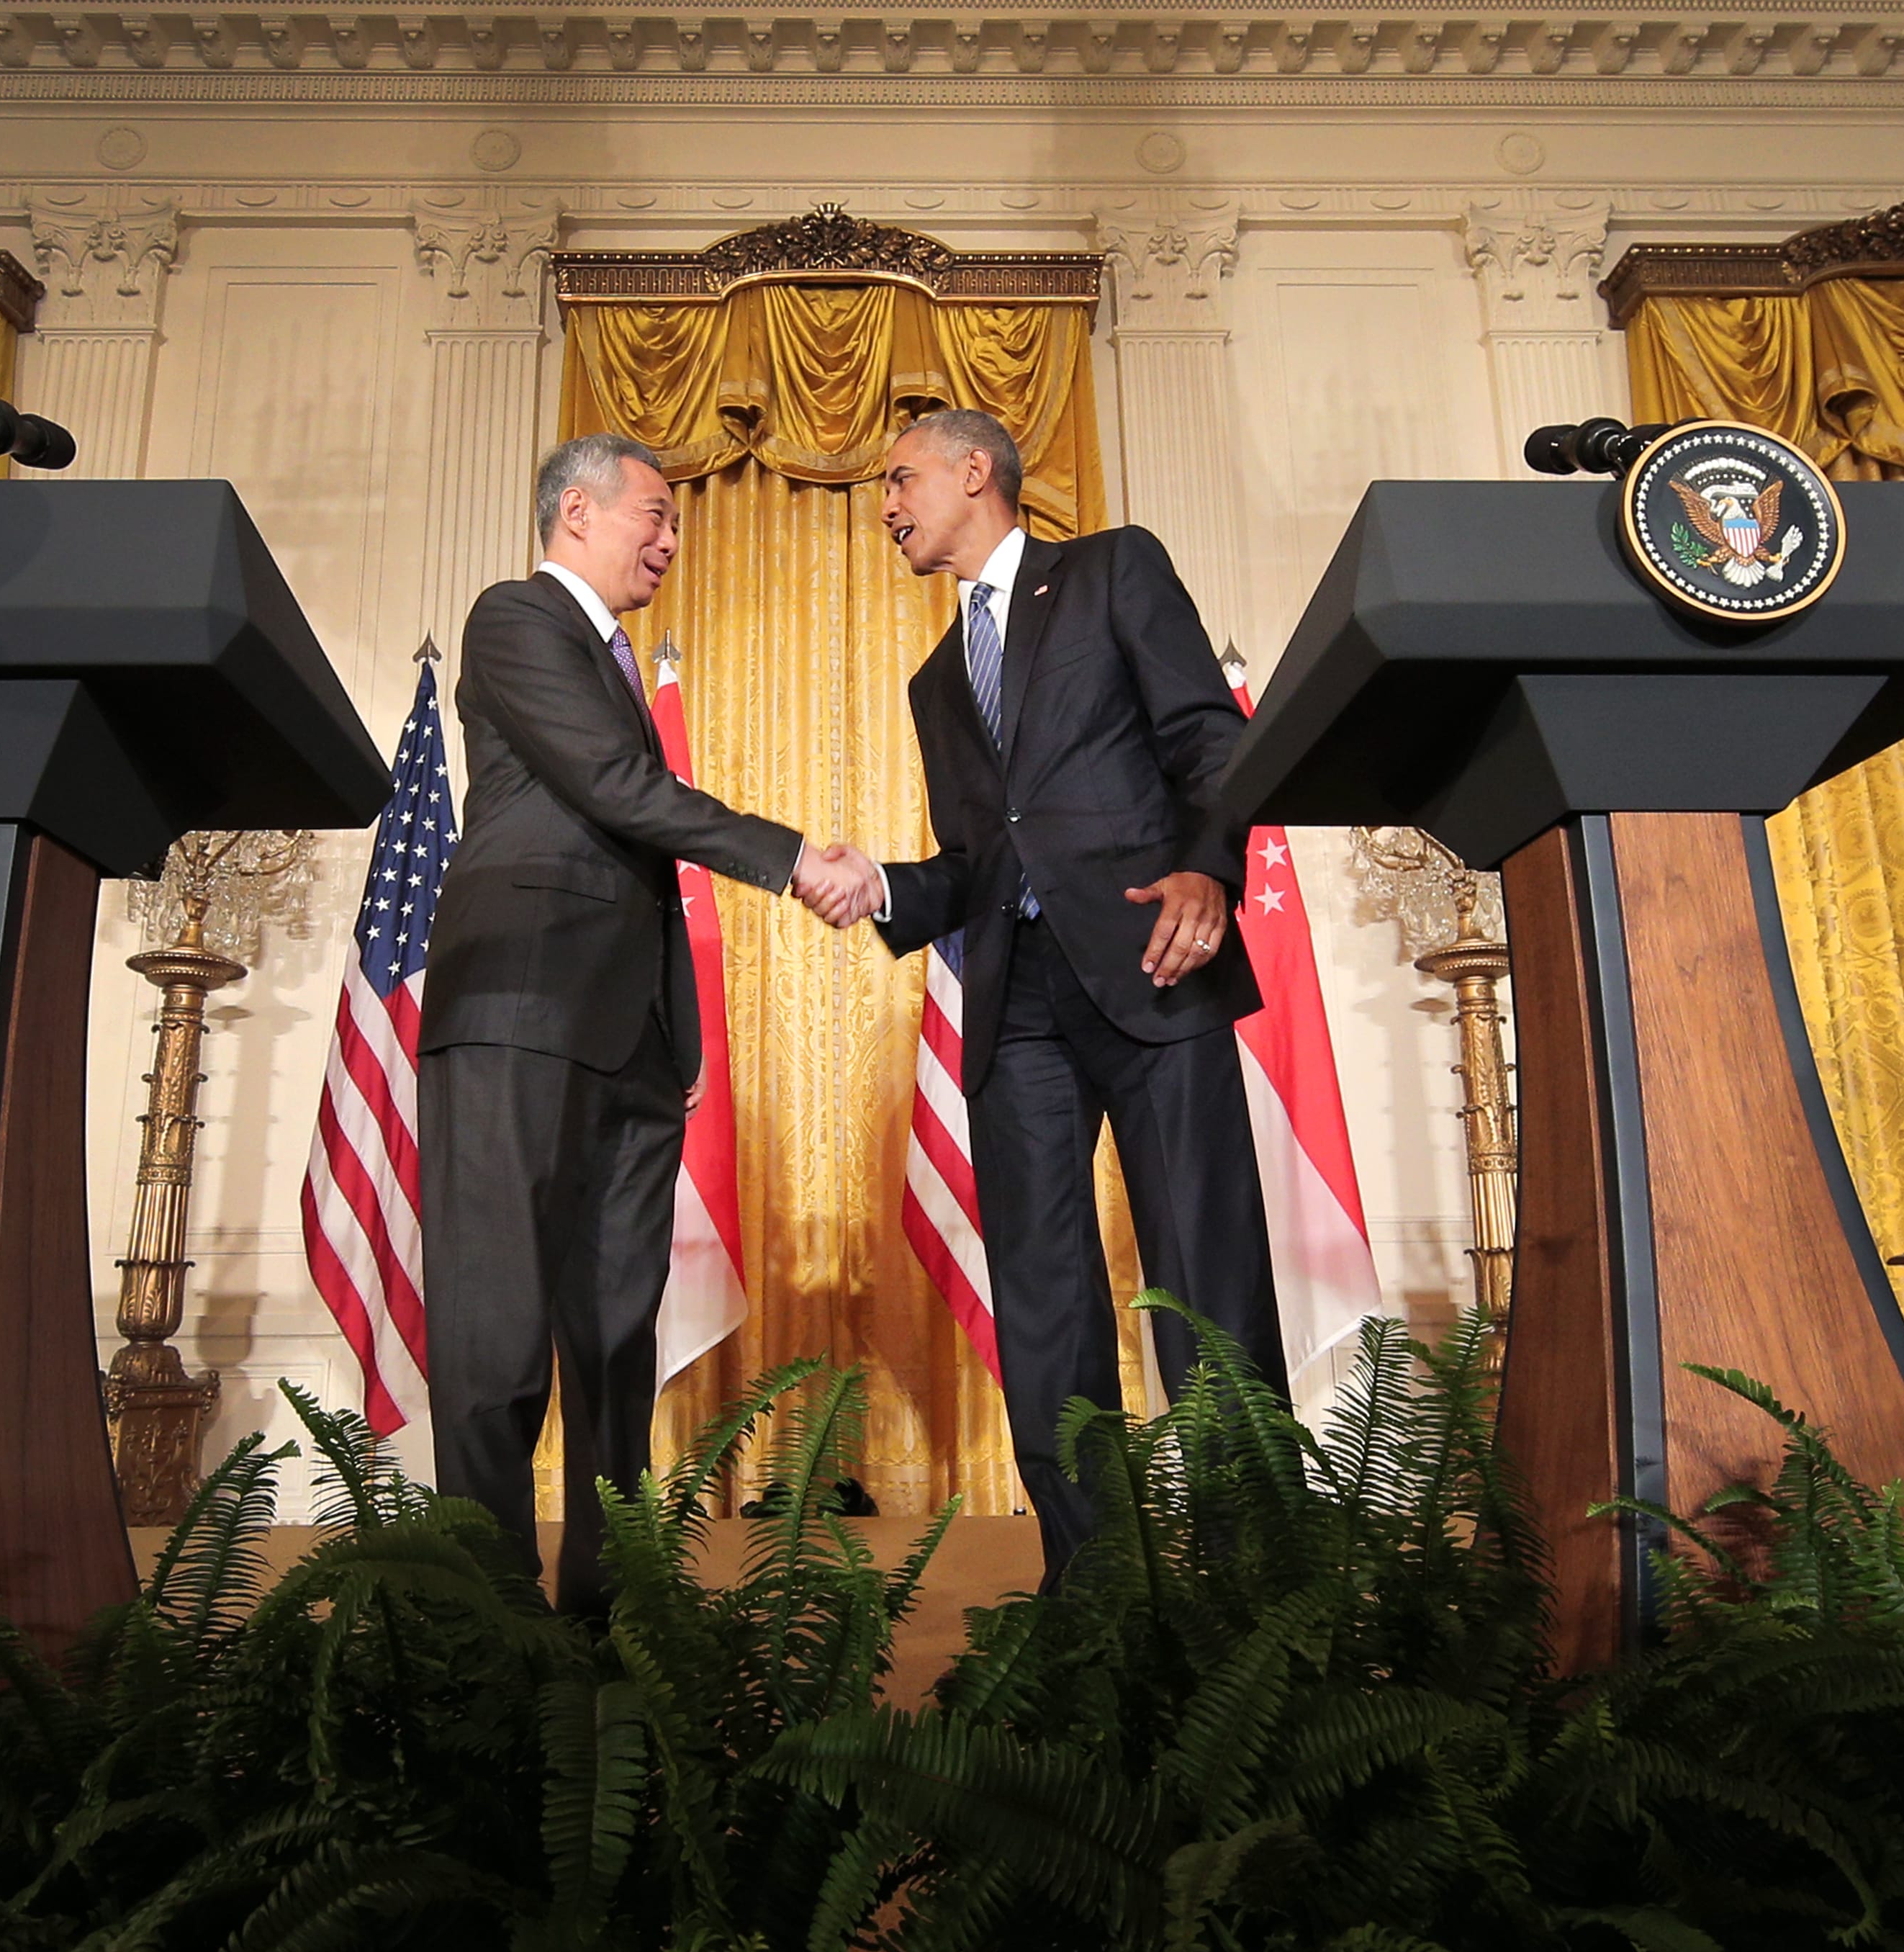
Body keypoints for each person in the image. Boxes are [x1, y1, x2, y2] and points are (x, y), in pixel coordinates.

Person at [814, 407, 1289, 1586]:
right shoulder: (936, 681)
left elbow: (1207, 740)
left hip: (1153, 963)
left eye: (902, 477)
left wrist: (1209, 867)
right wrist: (885, 885)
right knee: (1042, 1295)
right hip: (1015, 1006)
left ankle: (1260, 1591)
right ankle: (1097, 1585)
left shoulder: (1113, 567)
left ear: (977, 472)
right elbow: (980, 861)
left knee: (1206, 1277)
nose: (888, 503)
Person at [421, 433, 880, 1606]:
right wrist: (792, 861)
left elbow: (635, 847)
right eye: (656, 515)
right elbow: (618, 791)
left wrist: (678, 1026)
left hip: (631, 1037)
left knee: (616, 1335)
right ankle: (485, 1616)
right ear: (576, 511)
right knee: (498, 1324)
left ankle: (611, 1601)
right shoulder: (516, 618)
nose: (670, 541)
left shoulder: (613, 655)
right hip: (519, 1006)